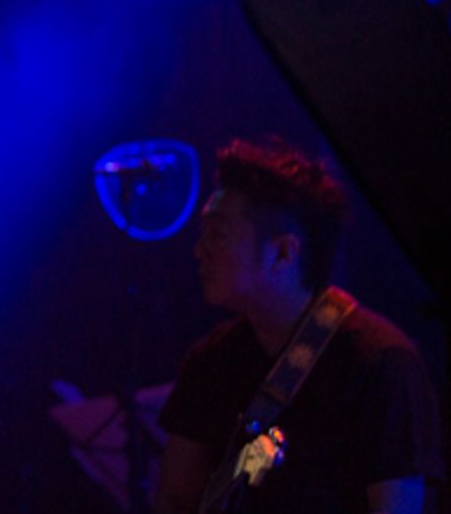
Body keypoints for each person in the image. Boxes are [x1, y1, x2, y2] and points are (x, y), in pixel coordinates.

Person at [154, 138, 444, 514]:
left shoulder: (382, 364)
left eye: (218, 232)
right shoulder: (209, 362)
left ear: (284, 252)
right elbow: (176, 500)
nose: (199, 250)